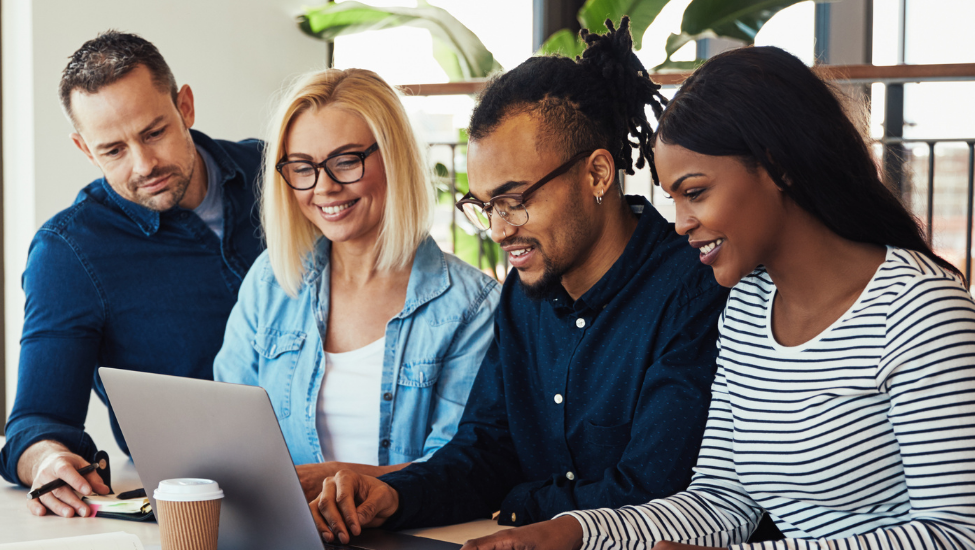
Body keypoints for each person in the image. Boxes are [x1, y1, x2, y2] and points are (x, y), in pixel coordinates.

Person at [459, 46, 975, 550]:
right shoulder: (745, 309)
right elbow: (721, 501)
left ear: (778, 168)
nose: (679, 222)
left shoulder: (920, 309)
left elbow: (963, 533)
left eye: (694, 192)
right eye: (670, 197)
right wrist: (575, 531)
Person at [309, 19, 730, 544]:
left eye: (515, 201)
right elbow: (485, 450)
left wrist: (519, 498)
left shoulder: (692, 290)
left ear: (598, 174)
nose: (500, 229)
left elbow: (652, 491)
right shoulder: (523, 295)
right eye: (485, 205)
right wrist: (393, 496)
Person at [0, 30, 267, 518]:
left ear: (184, 106)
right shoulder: (69, 252)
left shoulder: (282, 172)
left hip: (355, 472)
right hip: (202, 504)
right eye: (113, 151)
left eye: (153, 132)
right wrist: (49, 459)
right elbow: (38, 421)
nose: (144, 165)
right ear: (84, 148)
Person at [213, 68, 501, 500]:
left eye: (345, 161)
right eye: (303, 167)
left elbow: (458, 465)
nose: (324, 187)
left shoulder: (471, 306)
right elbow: (224, 428)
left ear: (393, 156)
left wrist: (332, 477)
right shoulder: (271, 284)